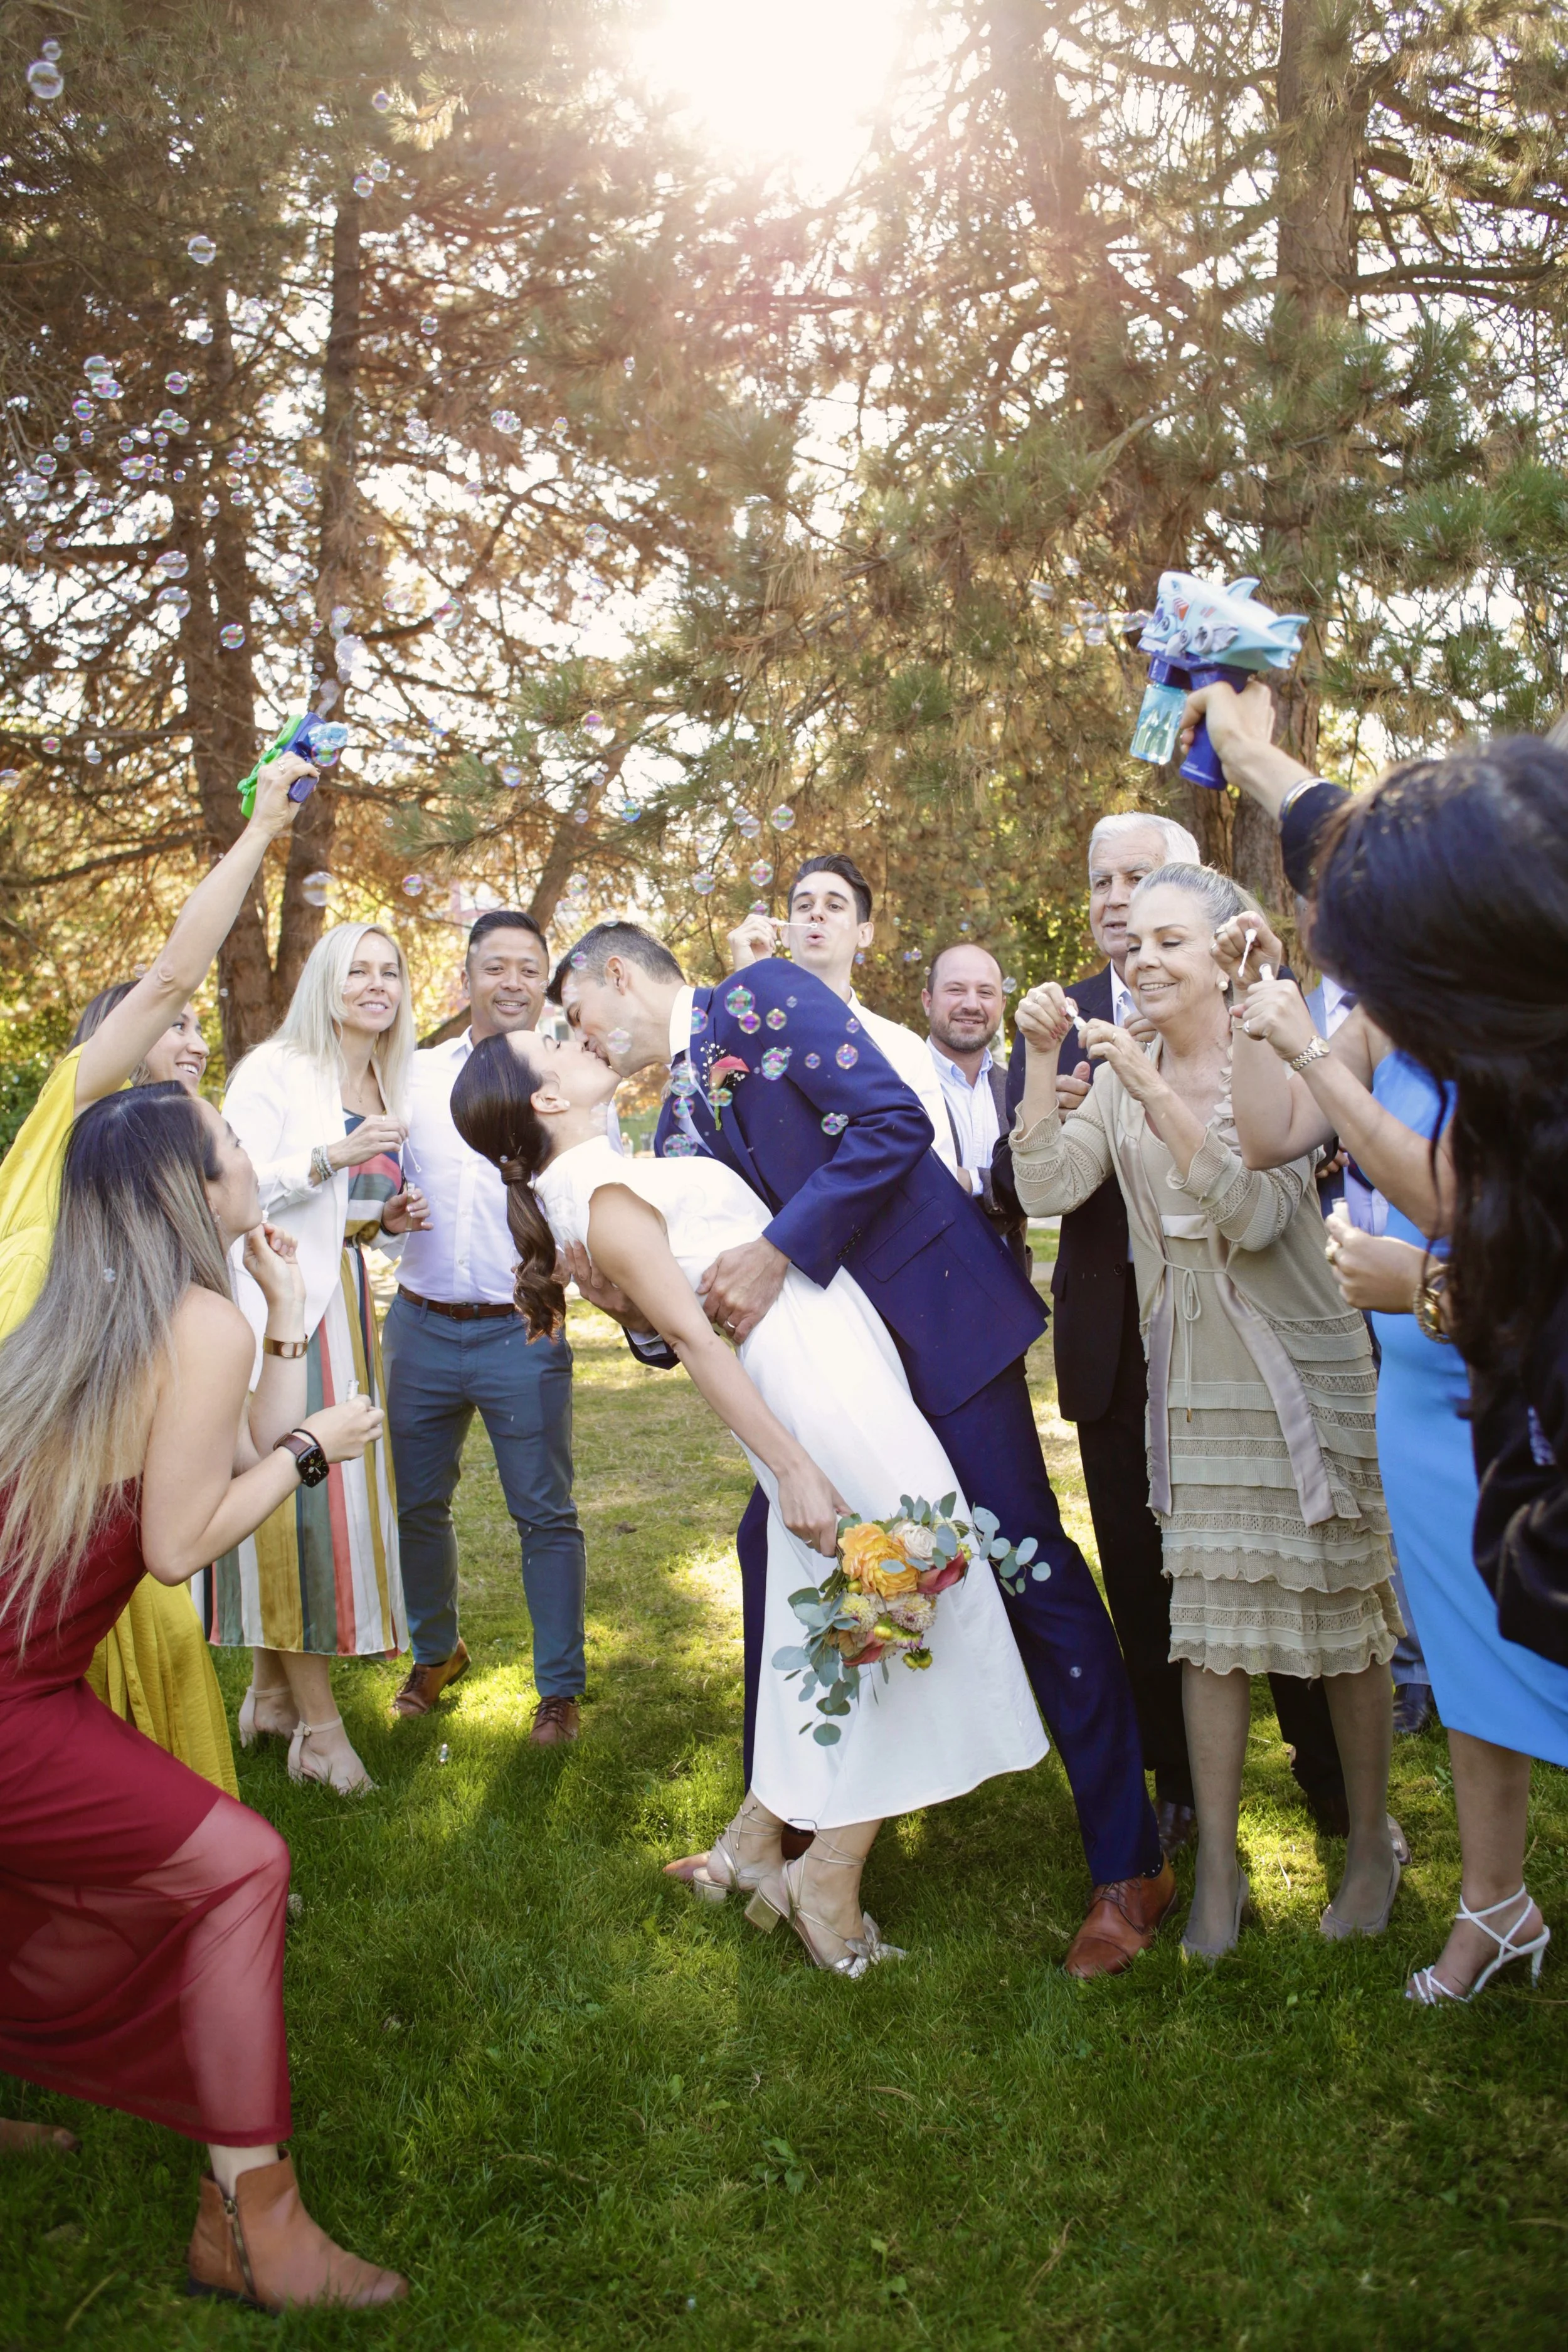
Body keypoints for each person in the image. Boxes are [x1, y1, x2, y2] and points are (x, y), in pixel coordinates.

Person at [553, 922, 1173, 1979]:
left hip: (938, 1330)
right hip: (838, 1386)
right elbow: (692, 1305)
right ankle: (784, 1829)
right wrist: (627, 1313)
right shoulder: (673, 1117)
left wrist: (780, 1246)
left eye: (576, 1015)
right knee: (773, 1560)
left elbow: (890, 1125)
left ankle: (1129, 1866)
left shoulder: (763, 997)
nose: (582, 1038)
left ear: (619, 974)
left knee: (1028, 1568)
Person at [450, 1024, 1047, 1973]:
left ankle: (757, 1843)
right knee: (907, 1590)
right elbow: (695, 1343)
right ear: (546, 1099)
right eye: (554, 1044)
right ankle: (827, 1880)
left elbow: (674, 1297)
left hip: (833, 1360)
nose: (575, 1037)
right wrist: (796, 1467)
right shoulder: (599, 1198)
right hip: (812, 1390)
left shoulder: (604, 1179)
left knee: (876, 1601)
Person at [0, 1084, 403, 2308]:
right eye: (232, 1148)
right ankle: (252, 2226)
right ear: (195, 1189)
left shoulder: (120, 1312)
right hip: (15, 1700)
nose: (249, 1159)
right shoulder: (184, 1320)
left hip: (26, 1679)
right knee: (238, 1866)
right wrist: (311, 1451)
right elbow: (184, 1543)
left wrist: (286, 1323)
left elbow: (225, 1452)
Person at [1010, 864, 1402, 1960]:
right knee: (1209, 1633)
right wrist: (1045, 1063)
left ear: (1227, 952)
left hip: (1296, 1359)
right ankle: (1221, 1870)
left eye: (1170, 941)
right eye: (1133, 944)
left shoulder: (1274, 1057)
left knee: (1341, 1618)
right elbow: (1045, 1185)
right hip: (1187, 1374)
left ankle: (1371, 1841)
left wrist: (1148, 1084)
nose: (1142, 961)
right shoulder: (1121, 1067)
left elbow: (1255, 1212)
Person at [1250, 736, 1568, 2000]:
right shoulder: (1515, 1068)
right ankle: (1493, 1903)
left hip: (1487, 1385)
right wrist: (1236, 738)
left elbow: (1489, 1244)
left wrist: (1424, 1288)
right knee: (1481, 1641)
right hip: (1472, 1418)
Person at [0, 753, 310, 1795]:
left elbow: (235, 1447)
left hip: (115, 1507)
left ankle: (175, 1876)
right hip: (30, 1499)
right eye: (155, 1022)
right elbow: (175, 971)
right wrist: (265, 826)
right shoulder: (55, 1138)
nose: (177, 1024)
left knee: (162, 1664)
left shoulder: (168, 1194)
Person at [212, 924, 425, 1794]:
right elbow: (224, 1185)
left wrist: (382, 1219)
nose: (376, 983)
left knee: (309, 1507)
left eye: (391, 969)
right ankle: (324, 1735)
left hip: (343, 1305)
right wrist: (332, 1152)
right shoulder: (277, 1068)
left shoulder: (387, 1074)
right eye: (357, 969)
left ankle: (269, 1695)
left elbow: (336, 1211)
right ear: (326, 983)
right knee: (303, 1510)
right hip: (278, 1309)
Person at [383, 910, 588, 1744]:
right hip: (421, 1326)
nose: (511, 980)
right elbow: (378, 1190)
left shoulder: (574, 1079)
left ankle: (559, 1688)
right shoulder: (413, 1077)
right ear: (464, 978)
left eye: (528, 967)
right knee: (416, 1503)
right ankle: (437, 1651)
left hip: (523, 1328)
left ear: (546, 983)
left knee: (545, 1511)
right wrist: (388, 1218)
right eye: (494, 965)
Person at [727, 855, 958, 1176]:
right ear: (784, 933)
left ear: (864, 934)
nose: (817, 913)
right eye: (804, 906)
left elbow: (938, 1167)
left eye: (834, 907)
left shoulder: (904, 1049)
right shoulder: (738, 1031)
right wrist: (750, 984)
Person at [920, 942, 1028, 1269]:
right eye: (955, 990)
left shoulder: (1019, 1089)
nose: (971, 1004)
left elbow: (1035, 1183)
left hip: (1009, 1288)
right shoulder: (899, 1081)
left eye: (985, 992)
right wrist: (996, 1185)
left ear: (1003, 1004)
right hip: (921, 1282)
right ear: (927, 1001)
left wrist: (972, 1181)